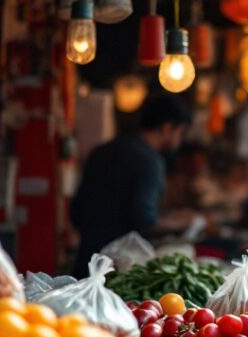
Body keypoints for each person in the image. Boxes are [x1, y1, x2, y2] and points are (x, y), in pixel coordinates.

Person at [70, 93, 190, 277]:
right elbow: (145, 220)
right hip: (118, 272)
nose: (179, 140)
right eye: (180, 132)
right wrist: (185, 222)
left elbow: (75, 212)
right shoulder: (151, 161)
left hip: (85, 263)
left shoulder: (101, 151)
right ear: (167, 128)